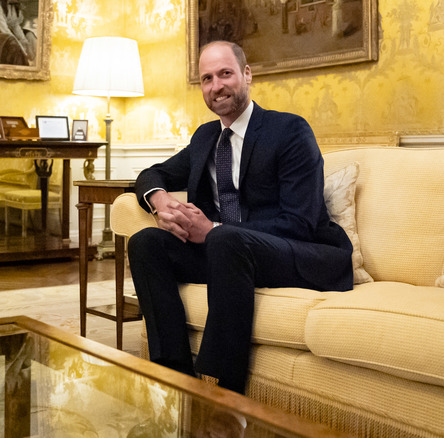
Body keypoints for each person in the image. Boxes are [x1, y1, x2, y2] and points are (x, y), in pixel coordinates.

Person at [128, 41, 353, 394]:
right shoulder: (206, 137)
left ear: (247, 75)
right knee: (146, 243)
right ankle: (172, 378)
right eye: (206, 78)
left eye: (225, 74)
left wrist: (213, 228)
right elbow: (152, 173)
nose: (216, 86)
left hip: (298, 252)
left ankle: (220, 392)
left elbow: (301, 222)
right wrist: (159, 201)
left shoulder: (289, 131)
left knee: (223, 238)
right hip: (229, 255)